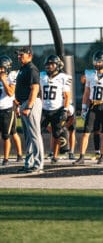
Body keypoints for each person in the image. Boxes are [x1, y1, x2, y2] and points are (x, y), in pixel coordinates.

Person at [73, 50, 103, 165]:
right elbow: (86, 92)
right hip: (93, 105)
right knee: (86, 132)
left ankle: (102, 157)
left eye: (99, 61)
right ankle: (82, 156)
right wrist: (83, 108)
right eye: (95, 61)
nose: (96, 63)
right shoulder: (90, 74)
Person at [15, 46, 44, 174]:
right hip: (24, 103)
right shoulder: (23, 69)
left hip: (31, 103)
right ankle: (29, 163)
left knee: (34, 134)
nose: (19, 56)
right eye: (19, 55)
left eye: (22, 54)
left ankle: (38, 164)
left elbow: (35, 89)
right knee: (28, 136)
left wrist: (28, 106)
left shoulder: (32, 69)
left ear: (29, 55)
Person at [40, 55, 73, 163]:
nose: (49, 66)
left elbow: (67, 95)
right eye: (48, 64)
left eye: (51, 64)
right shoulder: (42, 75)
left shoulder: (63, 77)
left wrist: (65, 109)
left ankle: (55, 156)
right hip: (43, 109)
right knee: (37, 132)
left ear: (58, 65)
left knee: (56, 134)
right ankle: (37, 153)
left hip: (57, 109)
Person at [0, 55, 23, 165]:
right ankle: (19, 154)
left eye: (2, 68)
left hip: (7, 109)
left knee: (6, 135)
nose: (0, 70)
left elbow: (10, 93)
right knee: (13, 132)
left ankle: (6, 159)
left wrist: (3, 80)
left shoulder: (12, 75)